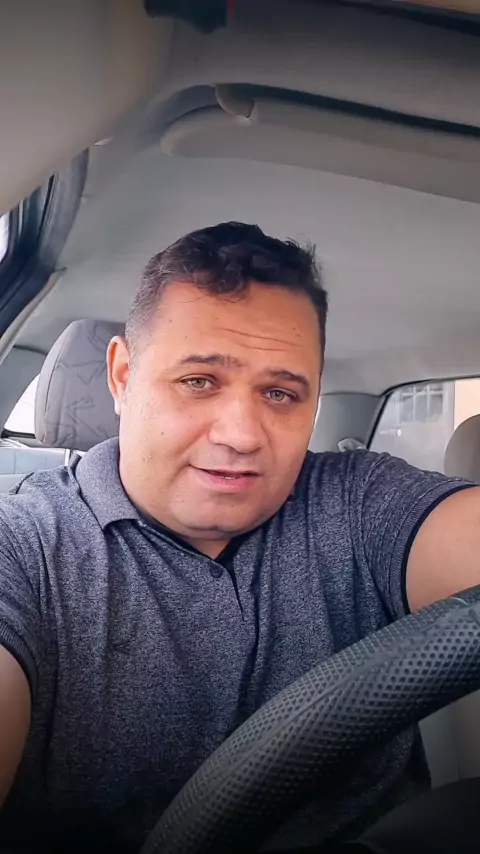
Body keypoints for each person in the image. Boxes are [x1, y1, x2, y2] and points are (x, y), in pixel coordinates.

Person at [0, 221, 478, 853]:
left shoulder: (360, 500)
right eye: (199, 381)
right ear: (122, 376)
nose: (242, 435)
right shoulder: (26, 545)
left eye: (280, 393)